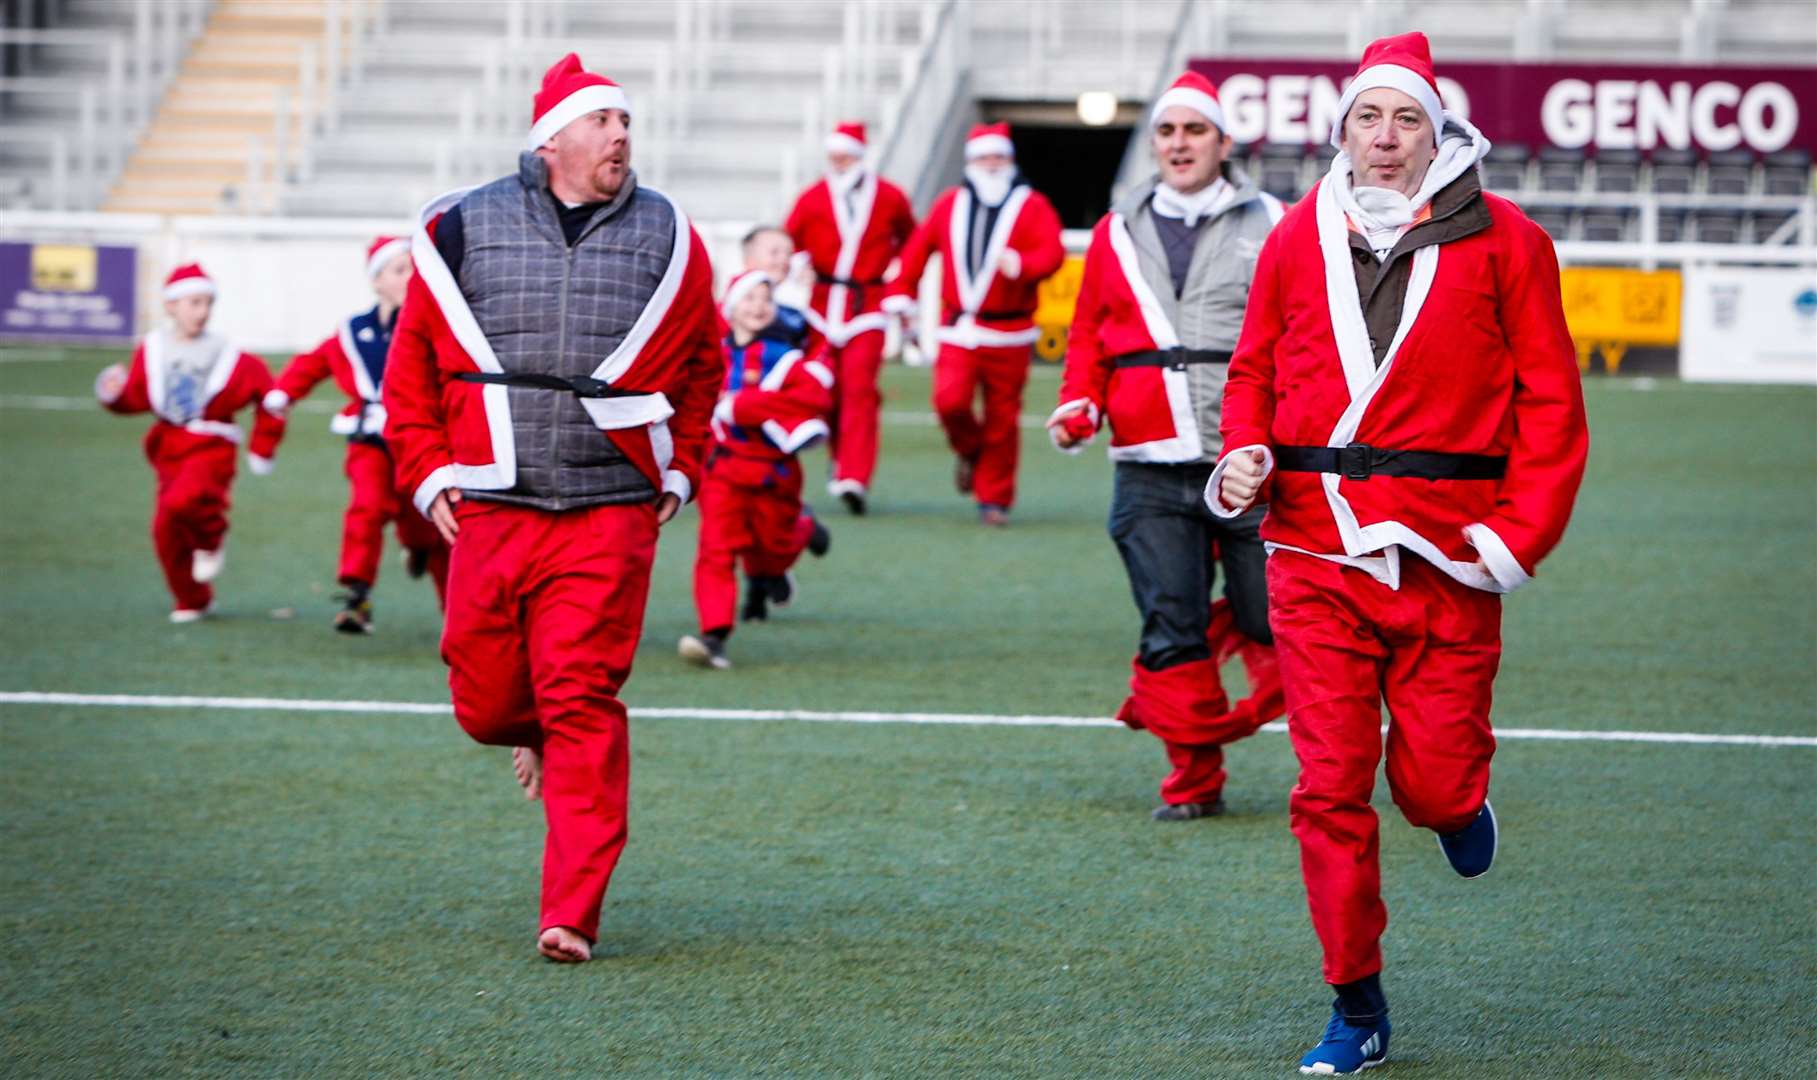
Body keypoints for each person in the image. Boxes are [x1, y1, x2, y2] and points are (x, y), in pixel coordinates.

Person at [1207, 33, 1589, 1074]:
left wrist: (1510, 542)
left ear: (1438, 131)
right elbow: (1251, 373)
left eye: (1404, 118)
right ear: (1341, 132)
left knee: (1425, 786)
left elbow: (1551, 405)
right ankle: (1355, 1004)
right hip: (1312, 555)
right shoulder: (1294, 234)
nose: (1383, 138)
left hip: (1446, 559)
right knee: (1326, 790)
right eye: (1366, 118)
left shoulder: (1508, 241)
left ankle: (1457, 802)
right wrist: (1242, 452)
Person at [382, 53, 723, 964]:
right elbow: (410, 366)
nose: (621, 135)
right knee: (489, 704)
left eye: (626, 122)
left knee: (581, 697)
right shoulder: (462, 226)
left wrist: (681, 469)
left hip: (611, 507)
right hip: (489, 504)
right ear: (553, 137)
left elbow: (703, 363)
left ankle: (571, 908)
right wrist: (426, 471)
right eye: (603, 120)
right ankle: (521, 730)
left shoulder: (670, 234)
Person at [1047, 72, 1286, 821]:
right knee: (1170, 622)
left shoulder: (1276, 220)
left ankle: (1329, 768)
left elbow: (1303, 334)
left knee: (1272, 618)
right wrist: (1077, 401)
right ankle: (1192, 783)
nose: (1178, 144)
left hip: (1248, 458)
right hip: (1147, 462)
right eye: (1166, 131)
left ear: (1223, 142)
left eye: (1194, 131)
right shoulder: (1116, 229)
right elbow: (1089, 332)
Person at [261, 236, 449, 632]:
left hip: (420, 438)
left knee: (432, 522)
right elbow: (314, 362)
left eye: (415, 268)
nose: (410, 276)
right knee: (366, 508)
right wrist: (284, 393)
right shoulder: (352, 331)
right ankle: (356, 596)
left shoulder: (434, 323)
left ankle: (455, 611)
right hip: (370, 439)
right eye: (399, 270)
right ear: (376, 281)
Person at [884, 122, 1064, 526]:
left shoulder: (1031, 204)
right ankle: (970, 449)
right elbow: (916, 253)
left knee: (1003, 418)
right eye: (985, 157)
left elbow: (1051, 253)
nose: (992, 164)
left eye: (999, 156)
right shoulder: (948, 204)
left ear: (1010, 160)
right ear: (970, 162)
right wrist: (901, 291)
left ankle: (994, 499)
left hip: (1011, 331)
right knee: (949, 401)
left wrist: (1022, 265)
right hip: (959, 329)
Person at [95, 264, 284, 622]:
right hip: (168, 447)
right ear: (171, 305)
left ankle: (212, 538)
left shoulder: (228, 353)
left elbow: (270, 396)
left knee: (185, 500)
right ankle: (193, 599)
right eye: (194, 302)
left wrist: (263, 446)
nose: (203, 311)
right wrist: (113, 395)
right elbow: (139, 396)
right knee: (164, 530)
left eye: (208, 303)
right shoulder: (152, 348)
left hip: (212, 445)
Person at [679, 270, 835, 670]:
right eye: (750, 299)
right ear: (730, 308)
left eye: (766, 299)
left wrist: (747, 407)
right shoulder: (711, 353)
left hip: (773, 474)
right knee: (716, 550)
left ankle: (804, 530)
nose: (759, 307)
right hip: (722, 471)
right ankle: (714, 635)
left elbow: (815, 398)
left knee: (771, 548)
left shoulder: (782, 358)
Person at [784, 121, 916, 514]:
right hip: (821, 306)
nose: (839, 162)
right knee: (826, 390)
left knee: (860, 390)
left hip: (868, 305)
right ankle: (839, 460)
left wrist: (899, 285)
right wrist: (796, 266)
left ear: (860, 156)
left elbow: (913, 241)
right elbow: (790, 241)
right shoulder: (812, 198)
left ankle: (854, 476)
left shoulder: (890, 197)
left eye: (845, 156)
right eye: (834, 156)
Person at [738, 225, 810, 348]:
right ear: (748, 258)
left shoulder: (794, 316)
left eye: (789, 254)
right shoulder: (729, 311)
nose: (784, 259)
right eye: (774, 252)